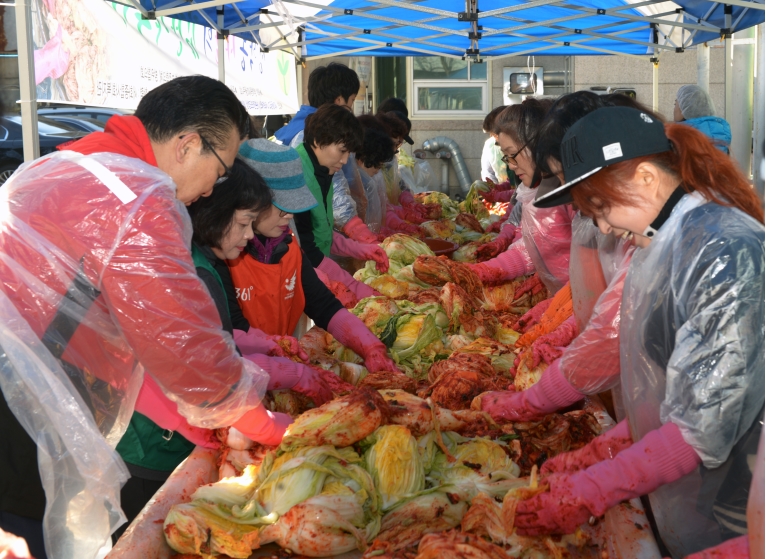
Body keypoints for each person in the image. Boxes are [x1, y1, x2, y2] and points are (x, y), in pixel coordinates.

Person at [0, 76, 284, 559]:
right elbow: (185, 344)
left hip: (27, 380)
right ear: (187, 144)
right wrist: (268, 427)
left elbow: (138, 338)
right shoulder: (136, 198)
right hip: (22, 406)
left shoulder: (79, 159)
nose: (216, 185)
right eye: (220, 169)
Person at [520, 106, 764, 558]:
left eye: (601, 207)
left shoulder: (722, 250)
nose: (603, 227)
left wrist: (593, 487)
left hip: (737, 507)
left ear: (647, 178)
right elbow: (669, 394)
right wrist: (596, 453)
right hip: (685, 498)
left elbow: (702, 427)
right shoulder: (663, 244)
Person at [228, 139, 401, 376]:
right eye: (281, 207)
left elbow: (322, 304)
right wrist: (291, 372)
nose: (289, 215)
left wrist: (370, 346)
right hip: (241, 384)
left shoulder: (288, 247)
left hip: (280, 375)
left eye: (293, 207)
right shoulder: (223, 257)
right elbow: (231, 335)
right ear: (250, 201)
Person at [469, 98, 574, 296]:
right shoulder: (541, 188)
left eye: (511, 154)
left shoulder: (568, 195)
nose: (510, 165)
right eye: (506, 157)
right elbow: (531, 246)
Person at [293, 104, 388, 300]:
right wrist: (352, 285)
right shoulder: (298, 174)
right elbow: (306, 247)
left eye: (349, 154)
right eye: (342, 151)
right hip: (296, 279)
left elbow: (323, 233)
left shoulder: (324, 171)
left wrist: (361, 249)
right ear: (319, 141)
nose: (345, 161)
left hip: (312, 276)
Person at [274, 63, 359, 147]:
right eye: (352, 99)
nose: (343, 160)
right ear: (338, 100)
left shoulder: (298, 125)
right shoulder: (318, 133)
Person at [674, 84, 731, 153]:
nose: (674, 109)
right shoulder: (722, 133)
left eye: (675, 104)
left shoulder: (680, 138)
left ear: (684, 109)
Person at [480, 105, 511, 188]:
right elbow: (488, 174)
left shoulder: (522, 145)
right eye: (491, 134)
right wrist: (496, 192)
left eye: (495, 134)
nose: (493, 137)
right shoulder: (490, 145)